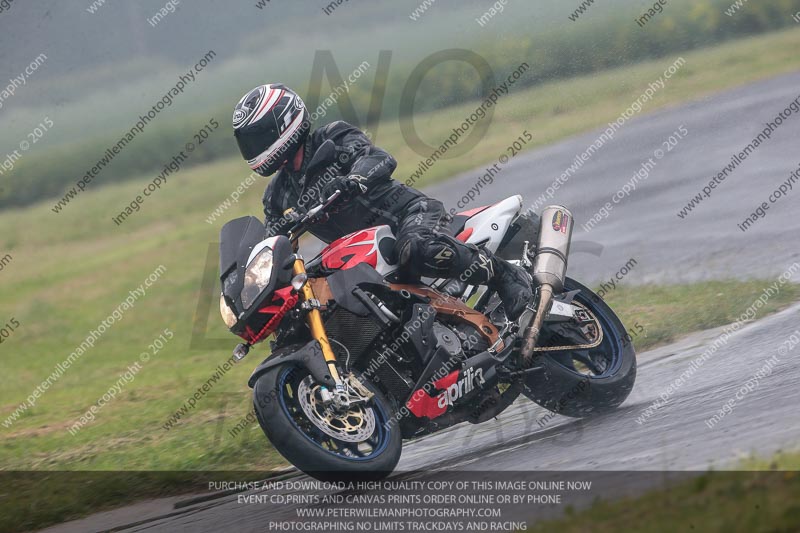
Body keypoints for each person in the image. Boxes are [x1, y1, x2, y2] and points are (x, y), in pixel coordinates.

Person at [232, 83, 532, 319]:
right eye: (248, 142)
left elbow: (378, 158)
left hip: (410, 216)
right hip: (363, 252)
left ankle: (505, 275)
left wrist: (354, 178)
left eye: (258, 138)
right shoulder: (276, 195)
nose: (253, 148)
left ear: (285, 122)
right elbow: (273, 244)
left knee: (415, 248)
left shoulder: (332, 137)